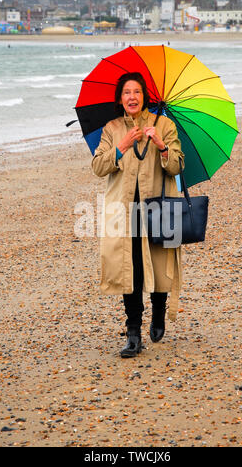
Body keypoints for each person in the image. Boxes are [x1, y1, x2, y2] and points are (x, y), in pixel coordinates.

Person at [92, 72, 184, 358]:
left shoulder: (164, 125)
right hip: (124, 210)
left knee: (157, 264)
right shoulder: (112, 128)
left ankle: (158, 313)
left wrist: (161, 146)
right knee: (128, 268)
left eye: (137, 92)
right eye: (126, 92)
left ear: (145, 96)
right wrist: (120, 148)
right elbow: (97, 166)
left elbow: (178, 166)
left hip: (158, 205)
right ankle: (133, 333)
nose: (132, 97)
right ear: (120, 99)